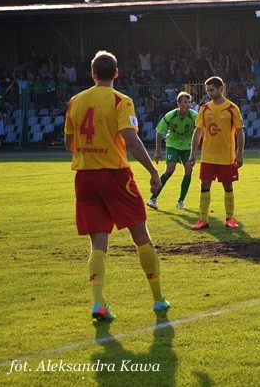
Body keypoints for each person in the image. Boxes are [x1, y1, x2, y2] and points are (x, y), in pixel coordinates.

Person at [63, 50, 169, 321]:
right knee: (141, 236)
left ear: (92, 73)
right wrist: (153, 170)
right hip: (115, 175)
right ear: (117, 73)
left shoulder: (75, 100)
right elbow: (131, 141)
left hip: (85, 178)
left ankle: (98, 302)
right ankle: (158, 299)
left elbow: (69, 144)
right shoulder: (121, 100)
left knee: (98, 242)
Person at [188, 76, 244, 230]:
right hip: (208, 156)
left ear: (221, 89)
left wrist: (239, 154)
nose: (209, 93)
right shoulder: (204, 108)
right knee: (204, 184)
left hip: (226, 157)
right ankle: (203, 219)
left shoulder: (232, 108)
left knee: (227, 185)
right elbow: (198, 132)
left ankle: (230, 218)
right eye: (207, 91)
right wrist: (193, 153)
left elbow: (240, 133)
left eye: (212, 90)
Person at [147, 91, 197, 210]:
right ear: (178, 103)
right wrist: (158, 151)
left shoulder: (194, 116)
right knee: (170, 170)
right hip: (172, 144)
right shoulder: (170, 116)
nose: (188, 104)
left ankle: (180, 201)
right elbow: (159, 132)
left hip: (186, 146)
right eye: (185, 102)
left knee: (189, 169)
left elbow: (202, 129)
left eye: (189, 102)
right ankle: (152, 199)